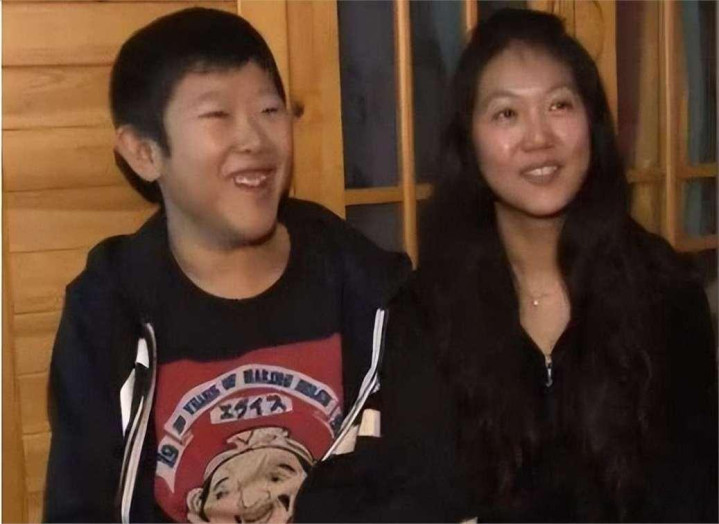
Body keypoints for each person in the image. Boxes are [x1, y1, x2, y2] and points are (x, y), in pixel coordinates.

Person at [296, 8, 718, 523]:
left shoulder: (667, 292)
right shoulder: (427, 311)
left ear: (592, 124)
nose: (538, 138)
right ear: (469, 143)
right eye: (506, 114)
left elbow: (694, 493)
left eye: (559, 105)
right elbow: (422, 496)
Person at [43, 8, 410, 523]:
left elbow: (418, 481)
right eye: (218, 115)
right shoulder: (108, 311)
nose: (254, 139)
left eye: (269, 110)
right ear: (144, 152)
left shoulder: (369, 288)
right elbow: (79, 507)